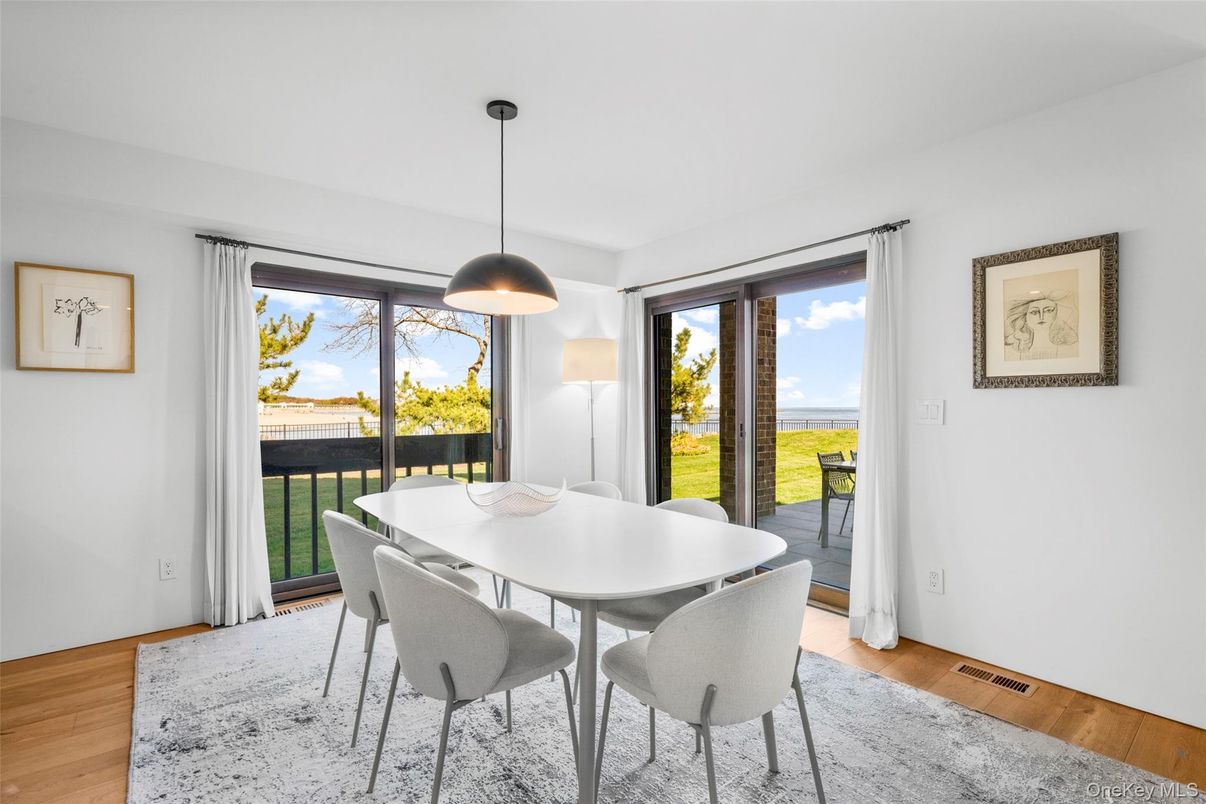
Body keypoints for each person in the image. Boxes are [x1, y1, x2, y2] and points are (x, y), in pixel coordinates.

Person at [1005, 292, 1078, 360]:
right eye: (1034, 312)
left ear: (1056, 313)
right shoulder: (1012, 351)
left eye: (1048, 310)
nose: (1041, 317)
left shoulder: (1071, 349)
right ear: (1025, 317)